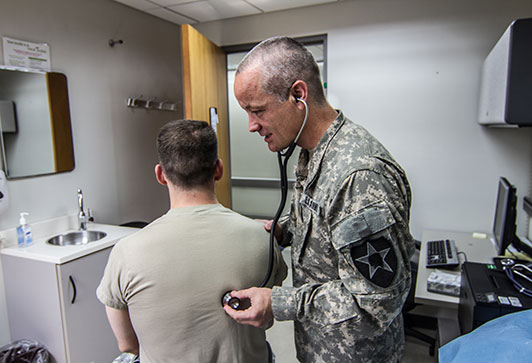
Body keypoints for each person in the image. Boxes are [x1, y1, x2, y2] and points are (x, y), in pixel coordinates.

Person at [223, 37, 415, 362]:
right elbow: (325, 227)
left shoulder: (357, 175)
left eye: (257, 111)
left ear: (298, 95)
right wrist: (283, 230)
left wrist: (278, 302)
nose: (252, 126)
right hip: (319, 346)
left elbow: (375, 302)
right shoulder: (313, 153)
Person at [97, 120, 287, 363]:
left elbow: (128, 344)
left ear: (160, 175)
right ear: (219, 169)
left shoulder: (126, 251)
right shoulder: (262, 238)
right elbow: (267, 315)